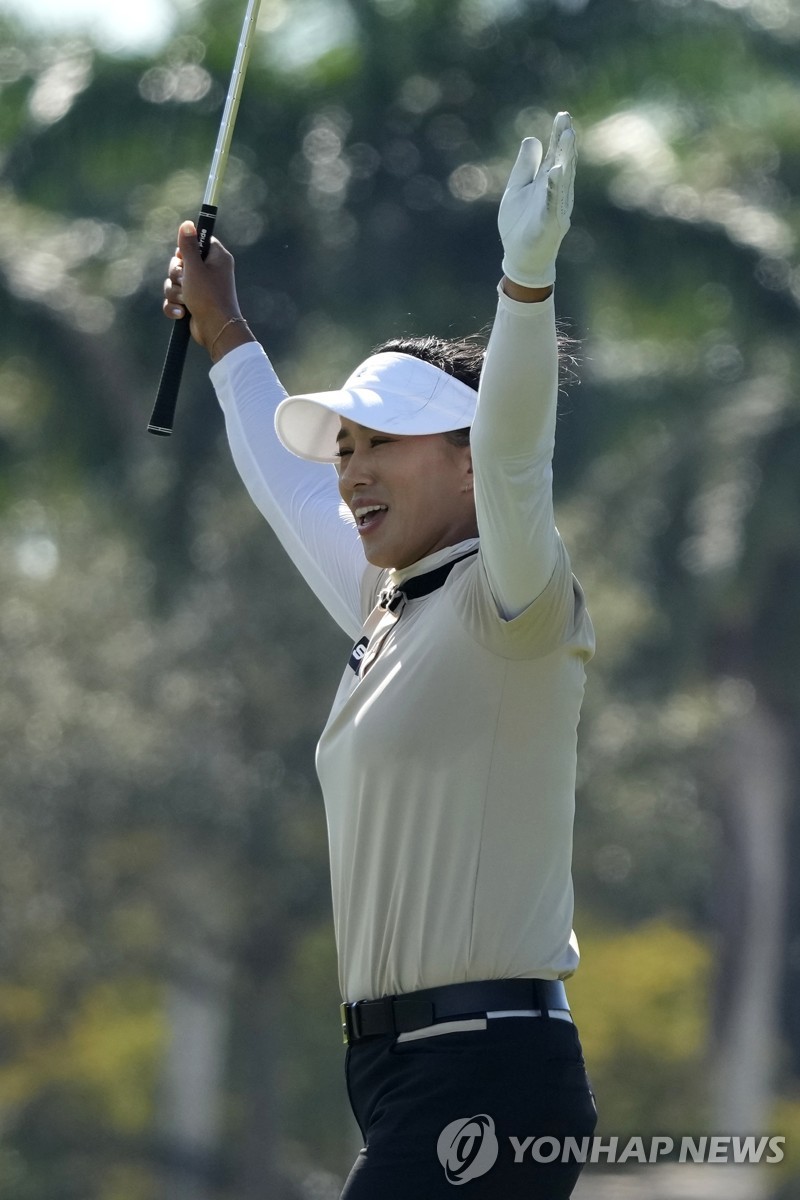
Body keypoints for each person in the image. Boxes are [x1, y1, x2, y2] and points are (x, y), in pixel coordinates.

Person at [162, 110, 597, 1199]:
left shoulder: (516, 601)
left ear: (457, 460)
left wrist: (524, 286)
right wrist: (225, 332)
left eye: (380, 446)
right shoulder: (389, 601)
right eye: (345, 447)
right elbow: (284, 478)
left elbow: (514, 456)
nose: (350, 473)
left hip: (489, 1073)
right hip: (398, 1075)